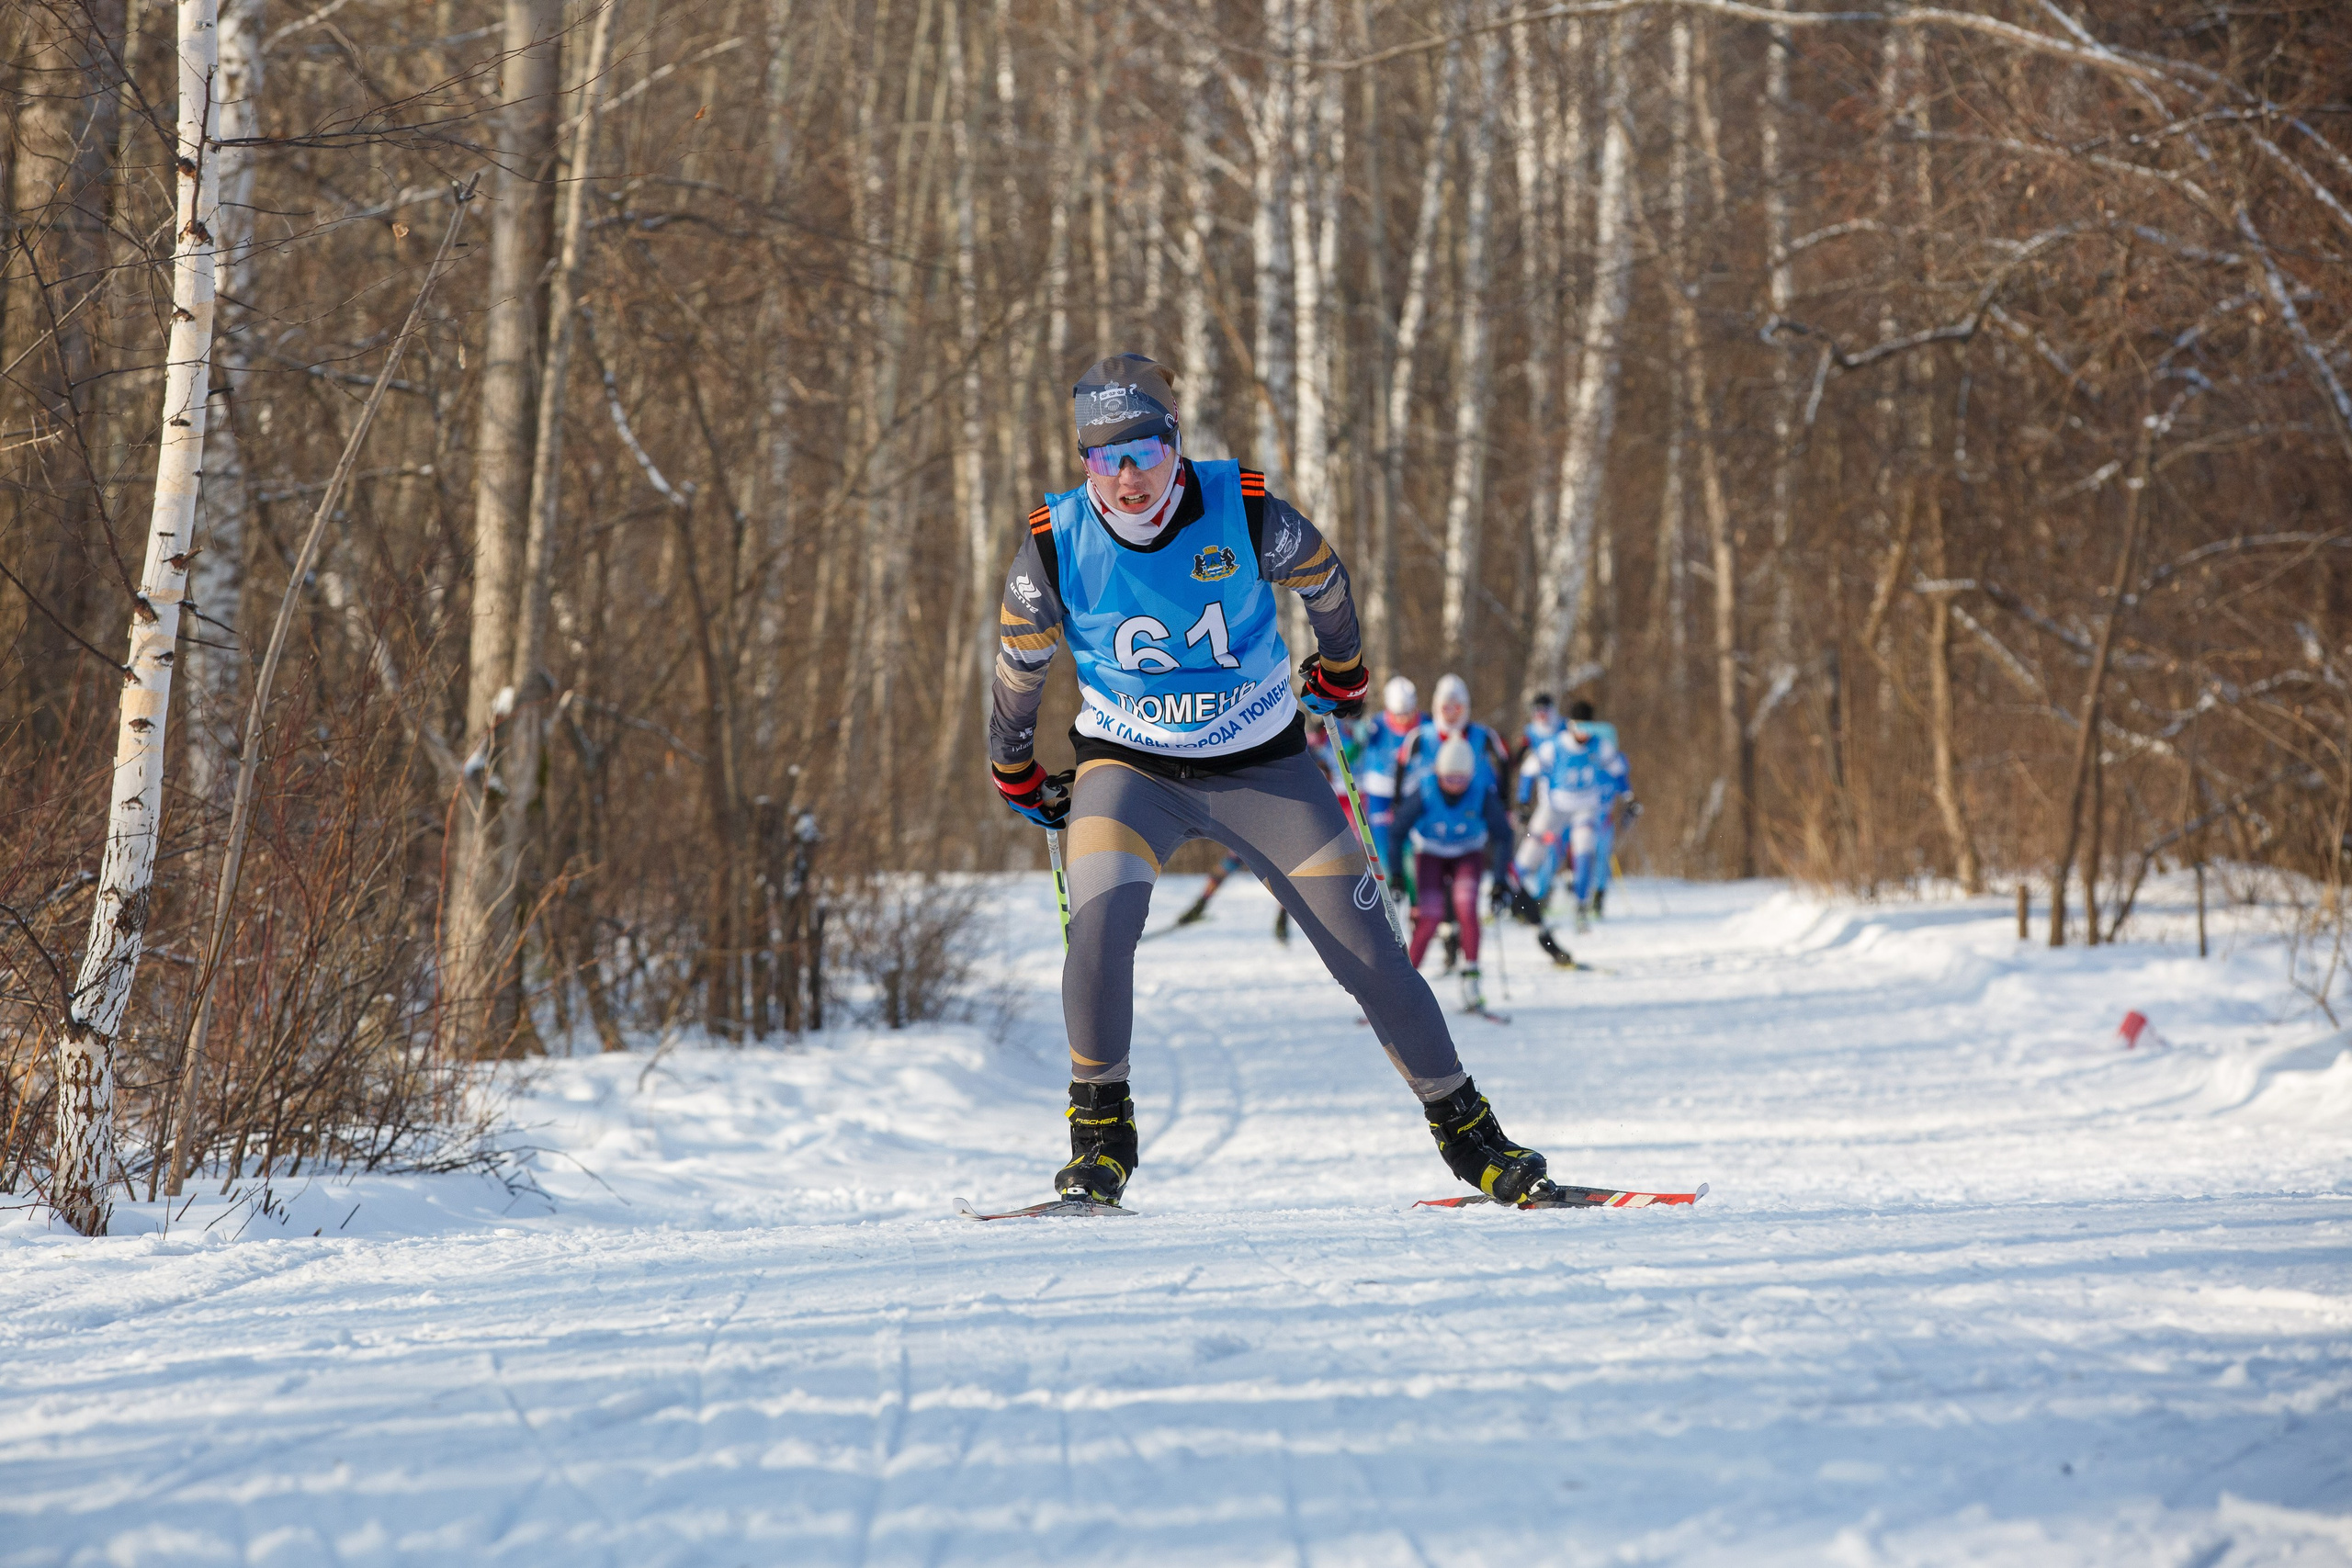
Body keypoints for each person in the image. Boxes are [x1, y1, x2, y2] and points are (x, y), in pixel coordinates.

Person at [987, 354, 1552, 1206]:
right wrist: (1015, 766)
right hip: (1128, 767)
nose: (1130, 476)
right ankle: (1099, 1140)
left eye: (1145, 448)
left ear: (1175, 442)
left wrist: (1344, 670)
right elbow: (1018, 668)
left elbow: (1324, 577)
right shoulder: (1052, 542)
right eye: (1107, 458)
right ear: (1083, 463)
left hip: (1263, 761)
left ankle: (1473, 1137)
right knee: (1099, 928)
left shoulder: (1243, 507)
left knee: (1371, 954)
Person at [1387, 736, 1521, 1013]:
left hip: (1468, 853)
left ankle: (1471, 981)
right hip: (1431, 853)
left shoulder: (1482, 791)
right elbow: (1397, 831)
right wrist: (1397, 874)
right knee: (1430, 918)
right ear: (1438, 773)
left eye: (1462, 780)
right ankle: (1402, 988)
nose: (1455, 786)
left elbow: (1504, 836)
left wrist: (1499, 880)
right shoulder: (1424, 788)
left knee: (1466, 908)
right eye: (1449, 779)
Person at [1530, 699, 1634, 928]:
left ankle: (1588, 901)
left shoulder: (1602, 749)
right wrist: (1526, 802)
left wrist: (1628, 800)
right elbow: (1535, 769)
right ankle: (1538, 897)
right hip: (1561, 812)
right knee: (1552, 852)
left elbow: (1620, 777)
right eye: (1580, 728)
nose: (1584, 734)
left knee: (1594, 854)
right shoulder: (1561, 746)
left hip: (1595, 814)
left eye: (1588, 729)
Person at [1351, 676, 1422, 874]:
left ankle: (1416, 899)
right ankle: (1388, 890)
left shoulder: (1424, 724)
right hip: (1379, 791)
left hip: (1410, 789)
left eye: (1408, 713)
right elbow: (1356, 742)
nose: (1403, 719)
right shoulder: (1377, 724)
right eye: (1397, 714)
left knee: (1411, 847)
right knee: (1382, 845)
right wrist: (1357, 723)